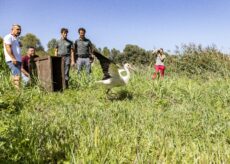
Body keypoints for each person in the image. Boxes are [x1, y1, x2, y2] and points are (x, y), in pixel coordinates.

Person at [3, 24, 22, 89]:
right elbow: (8, 47)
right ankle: (17, 93)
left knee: (15, 76)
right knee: (16, 77)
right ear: (12, 30)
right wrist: (13, 58)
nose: (19, 31)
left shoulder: (16, 39)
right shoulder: (8, 37)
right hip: (13, 60)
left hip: (17, 60)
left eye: (20, 30)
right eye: (17, 29)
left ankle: (14, 91)